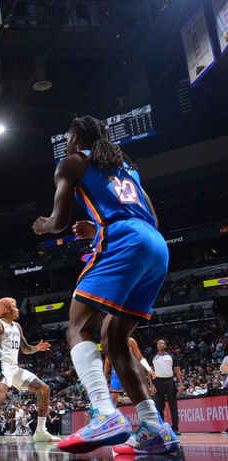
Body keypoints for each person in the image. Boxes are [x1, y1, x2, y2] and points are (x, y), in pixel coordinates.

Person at [32, 115, 178, 455]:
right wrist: (97, 229)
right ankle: (154, 428)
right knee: (114, 339)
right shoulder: (128, 166)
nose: (66, 140)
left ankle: (103, 411)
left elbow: (58, 222)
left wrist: (43, 225)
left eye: (68, 134)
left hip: (124, 240)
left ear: (76, 136)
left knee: (79, 327)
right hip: (156, 245)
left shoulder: (71, 162)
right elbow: (149, 217)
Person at [0, 297, 59, 445]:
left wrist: (37, 348)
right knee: (0, 395)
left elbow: (26, 349)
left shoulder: (17, 326)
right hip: (1, 366)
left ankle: (41, 431)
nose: (17, 309)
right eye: (14, 306)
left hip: (14, 369)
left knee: (44, 389)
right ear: (7, 309)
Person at [104, 337, 155, 405]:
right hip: (117, 373)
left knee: (142, 396)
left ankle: (151, 414)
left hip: (131, 371)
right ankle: (111, 415)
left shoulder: (130, 341)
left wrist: (149, 369)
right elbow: (107, 362)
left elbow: (140, 357)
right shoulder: (109, 343)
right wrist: (104, 376)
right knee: (113, 399)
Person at [151, 339, 183, 433]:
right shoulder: (153, 357)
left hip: (170, 381)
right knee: (159, 406)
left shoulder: (171, 356)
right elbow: (149, 372)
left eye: (163, 343)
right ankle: (160, 428)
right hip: (157, 382)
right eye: (159, 343)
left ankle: (175, 428)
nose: (161, 345)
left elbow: (177, 370)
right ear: (157, 346)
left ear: (165, 345)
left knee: (173, 406)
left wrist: (181, 383)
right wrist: (152, 385)